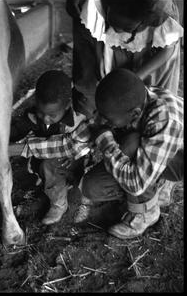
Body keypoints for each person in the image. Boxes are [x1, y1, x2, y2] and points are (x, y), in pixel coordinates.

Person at [18, 69, 183, 239]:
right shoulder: (123, 104)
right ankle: (156, 179)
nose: (102, 120)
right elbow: (71, 144)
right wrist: (17, 149)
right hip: (158, 151)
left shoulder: (165, 121)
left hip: (177, 162)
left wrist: (105, 140)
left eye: (108, 119)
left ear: (135, 113)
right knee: (92, 187)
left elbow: (136, 184)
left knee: (133, 141)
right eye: (100, 114)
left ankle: (147, 212)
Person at [66, 0, 183, 118]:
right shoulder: (90, 8)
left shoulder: (160, 11)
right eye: (112, 22)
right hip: (99, 44)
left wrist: (133, 81)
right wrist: (92, 97)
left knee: (144, 107)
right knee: (91, 103)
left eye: (127, 28)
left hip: (148, 57)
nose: (117, 31)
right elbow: (85, 66)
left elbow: (167, 49)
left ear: (145, 22)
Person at [9, 70, 89, 225]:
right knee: (45, 165)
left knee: (50, 164)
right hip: (47, 163)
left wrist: (75, 157)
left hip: (71, 164)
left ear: (66, 106)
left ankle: (59, 204)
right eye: (41, 112)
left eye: (52, 115)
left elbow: (84, 148)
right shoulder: (34, 115)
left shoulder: (76, 121)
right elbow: (18, 130)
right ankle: (54, 187)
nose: (45, 118)